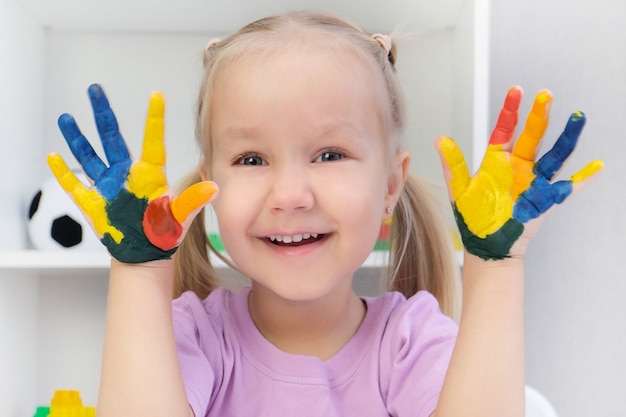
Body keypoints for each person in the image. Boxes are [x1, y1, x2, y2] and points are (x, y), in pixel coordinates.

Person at [46, 10, 602, 417]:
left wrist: (496, 267)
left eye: (329, 154)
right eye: (251, 158)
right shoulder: (192, 339)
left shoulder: (408, 344)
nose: (290, 195)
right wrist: (140, 269)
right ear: (209, 184)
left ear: (390, 185)